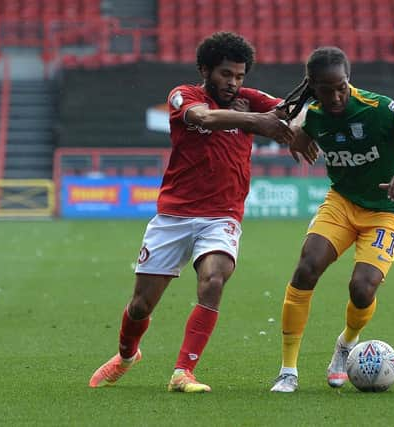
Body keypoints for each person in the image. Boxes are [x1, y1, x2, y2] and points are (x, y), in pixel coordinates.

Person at [88, 32, 293, 393]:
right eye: (226, 75)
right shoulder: (185, 96)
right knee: (140, 305)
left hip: (222, 215)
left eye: (240, 76)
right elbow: (204, 117)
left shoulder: (251, 100)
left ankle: (183, 372)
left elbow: (289, 112)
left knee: (214, 279)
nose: (233, 83)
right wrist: (257, 123)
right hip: (174, 216)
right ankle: (126, 355)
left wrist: (300, 127)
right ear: (205, 70)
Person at [269, 46, 394, 392]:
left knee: (362, 289)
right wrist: (297, 137)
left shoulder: (380, 109)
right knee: (306, 268)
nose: (336, 96)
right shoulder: (316, 114)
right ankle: (288, 370)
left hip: (387, 211)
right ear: (313, 87)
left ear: (349, 81)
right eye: (326, 89)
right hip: (342, 203)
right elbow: (299, 130)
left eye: (342, 87)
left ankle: (345, 346)